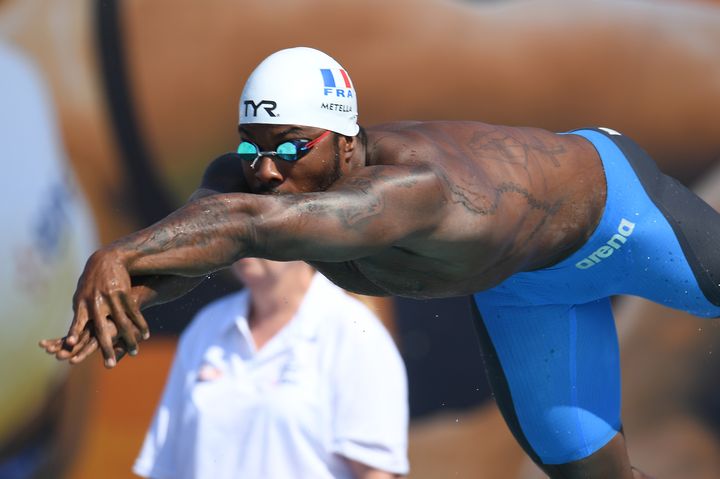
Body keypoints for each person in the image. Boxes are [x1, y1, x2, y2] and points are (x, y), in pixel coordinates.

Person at [40, 46, 720, 478]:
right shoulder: (256, 184)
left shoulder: (409, 189)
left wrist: (116, 253)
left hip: (618, 215)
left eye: (291, 148)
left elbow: (252, 228)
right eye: (253, 151)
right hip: (522, 290)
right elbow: (205, 243)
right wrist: (123, 292)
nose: (269, 171)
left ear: (345, 142)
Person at [132, 258, 408, 479]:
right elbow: (166, 469)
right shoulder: (207, 325)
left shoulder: (352, 330)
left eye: (259, 215)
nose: (247, 233)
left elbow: (377, 473)